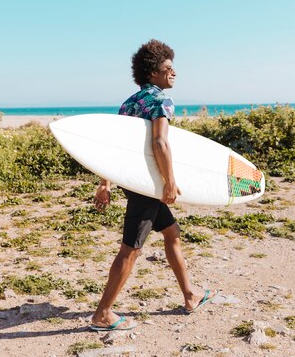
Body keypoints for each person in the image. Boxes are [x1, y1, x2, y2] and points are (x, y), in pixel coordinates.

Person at [90, 39, 217, 331]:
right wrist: (170, 183)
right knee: (130, 250)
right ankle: (102, 314)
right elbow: (160, 142)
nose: (174, 73)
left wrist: (106, 183)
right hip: (149, 185)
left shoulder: (129, 103)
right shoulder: (161, 101)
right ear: (153, 73)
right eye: (168, 68)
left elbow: (115, 149)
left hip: (133, 182)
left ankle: (190, 295)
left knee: (171, 232)